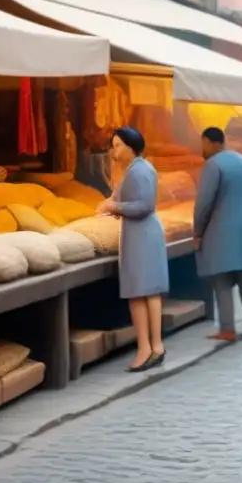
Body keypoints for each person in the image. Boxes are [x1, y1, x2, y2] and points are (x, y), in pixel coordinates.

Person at [97, 126, 169, 373]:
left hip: (142, 235)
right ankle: (153, 347)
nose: (113, 150)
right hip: (140, 234)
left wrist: (114, 207)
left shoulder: (139, 170)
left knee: (140, 293)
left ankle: (147, 349)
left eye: (117, 145)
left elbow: (144, 205)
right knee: (147, 292)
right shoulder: (135, 170)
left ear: (130, 147)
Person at [194, 127, 242, 343]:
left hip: (221, 235)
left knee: (222, 281)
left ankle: (227, 329)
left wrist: (197, 232)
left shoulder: (213, 166)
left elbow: (204, 204)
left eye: (203, 144)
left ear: (208, 141)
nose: (202, 149)